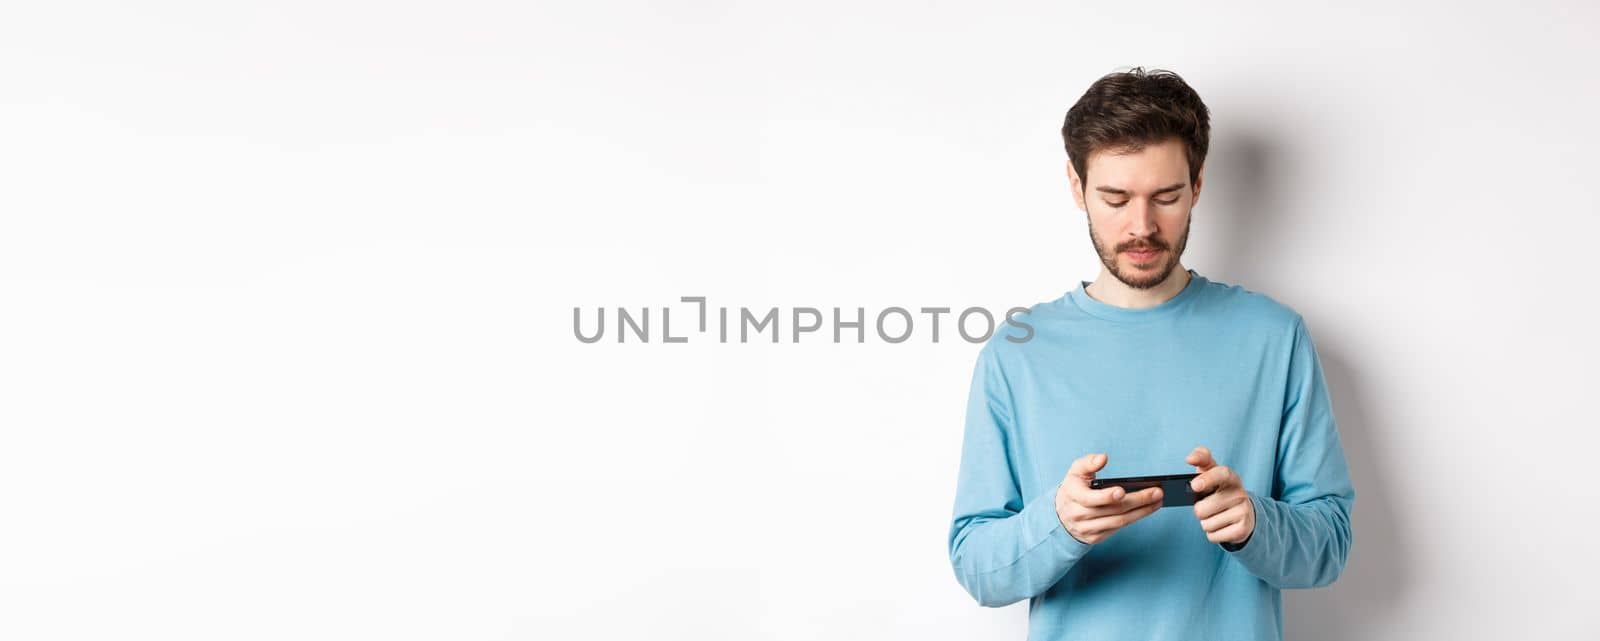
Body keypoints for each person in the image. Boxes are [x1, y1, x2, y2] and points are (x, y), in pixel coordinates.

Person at [946, 67, 1355, 641]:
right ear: (1075, 186)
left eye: (1166, 197)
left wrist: (1256, 524)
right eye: (1115, 198)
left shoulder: (1274, 337)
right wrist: (1057, 524)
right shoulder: (1018, 353)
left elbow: (1330, 546)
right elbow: (976, 565)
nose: (1142, 227)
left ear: (1198, 186)